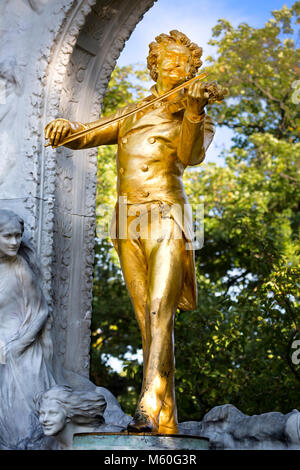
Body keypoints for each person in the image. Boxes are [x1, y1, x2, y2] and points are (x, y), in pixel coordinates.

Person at [45, 30, 227, 434]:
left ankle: (146, 405)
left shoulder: (192, 113)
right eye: (172, 60)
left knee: (162, 311)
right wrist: (63, 128)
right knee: (148, 321)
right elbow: (85, 135)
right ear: (157, 65)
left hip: (166, 212)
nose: (179, 68)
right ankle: (167, 420)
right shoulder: (131, 113)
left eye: (186, 63)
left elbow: (190, 156)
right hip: (126, 217)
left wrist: (195, 112)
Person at [0, 209, 57, 449]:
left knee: (22, 428)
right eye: (8, 236)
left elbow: (42, 311)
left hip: (20, 352)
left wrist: (18, 345)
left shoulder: (20, 267)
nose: (15, 242)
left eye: (18, 236)